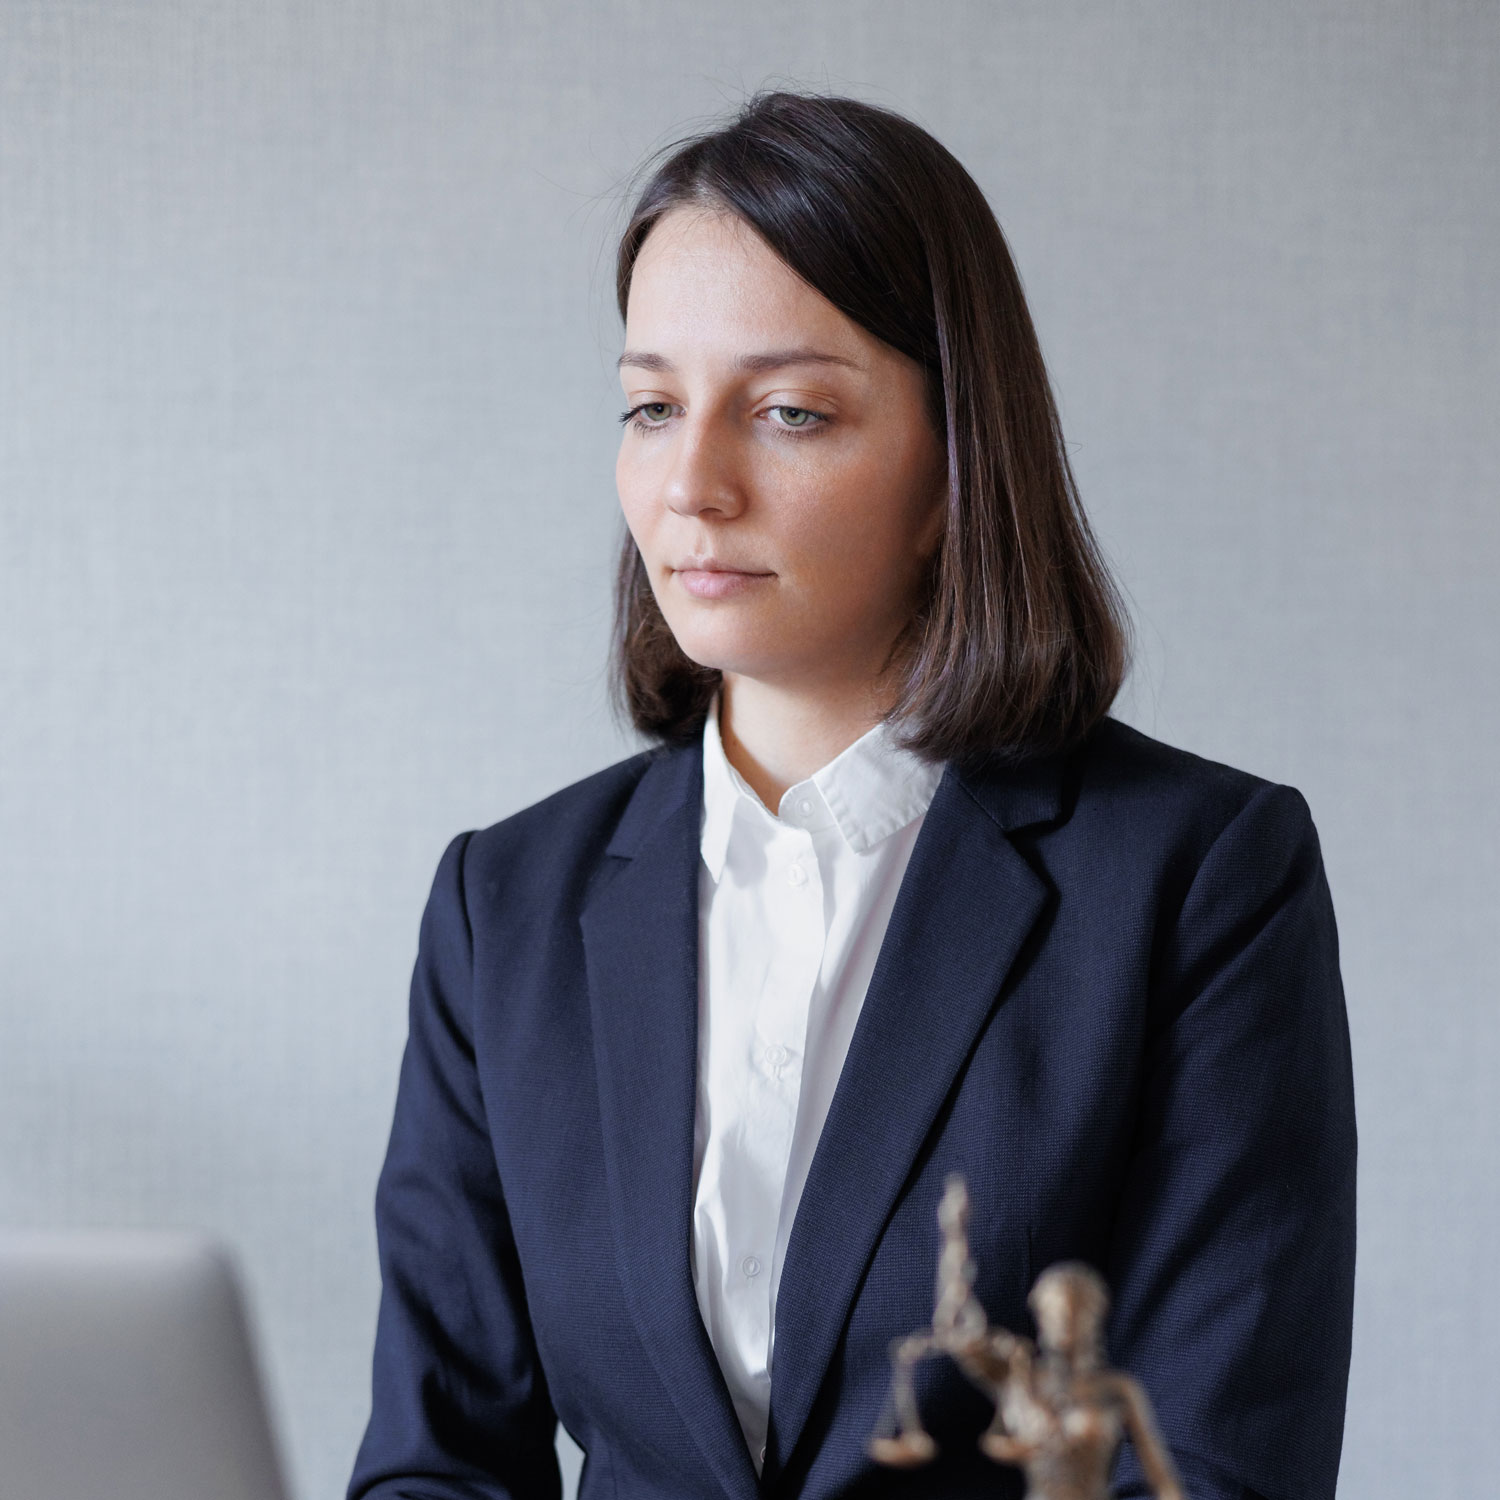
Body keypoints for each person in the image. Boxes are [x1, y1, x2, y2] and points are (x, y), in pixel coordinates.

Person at [347, 91, 1356, 1500]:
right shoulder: (503, 904)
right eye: (650, 405)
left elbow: (1214, 1462)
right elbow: (436, 1465)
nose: (690, 484)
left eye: (788, 412)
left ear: (955, 461)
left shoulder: (1200, 877)